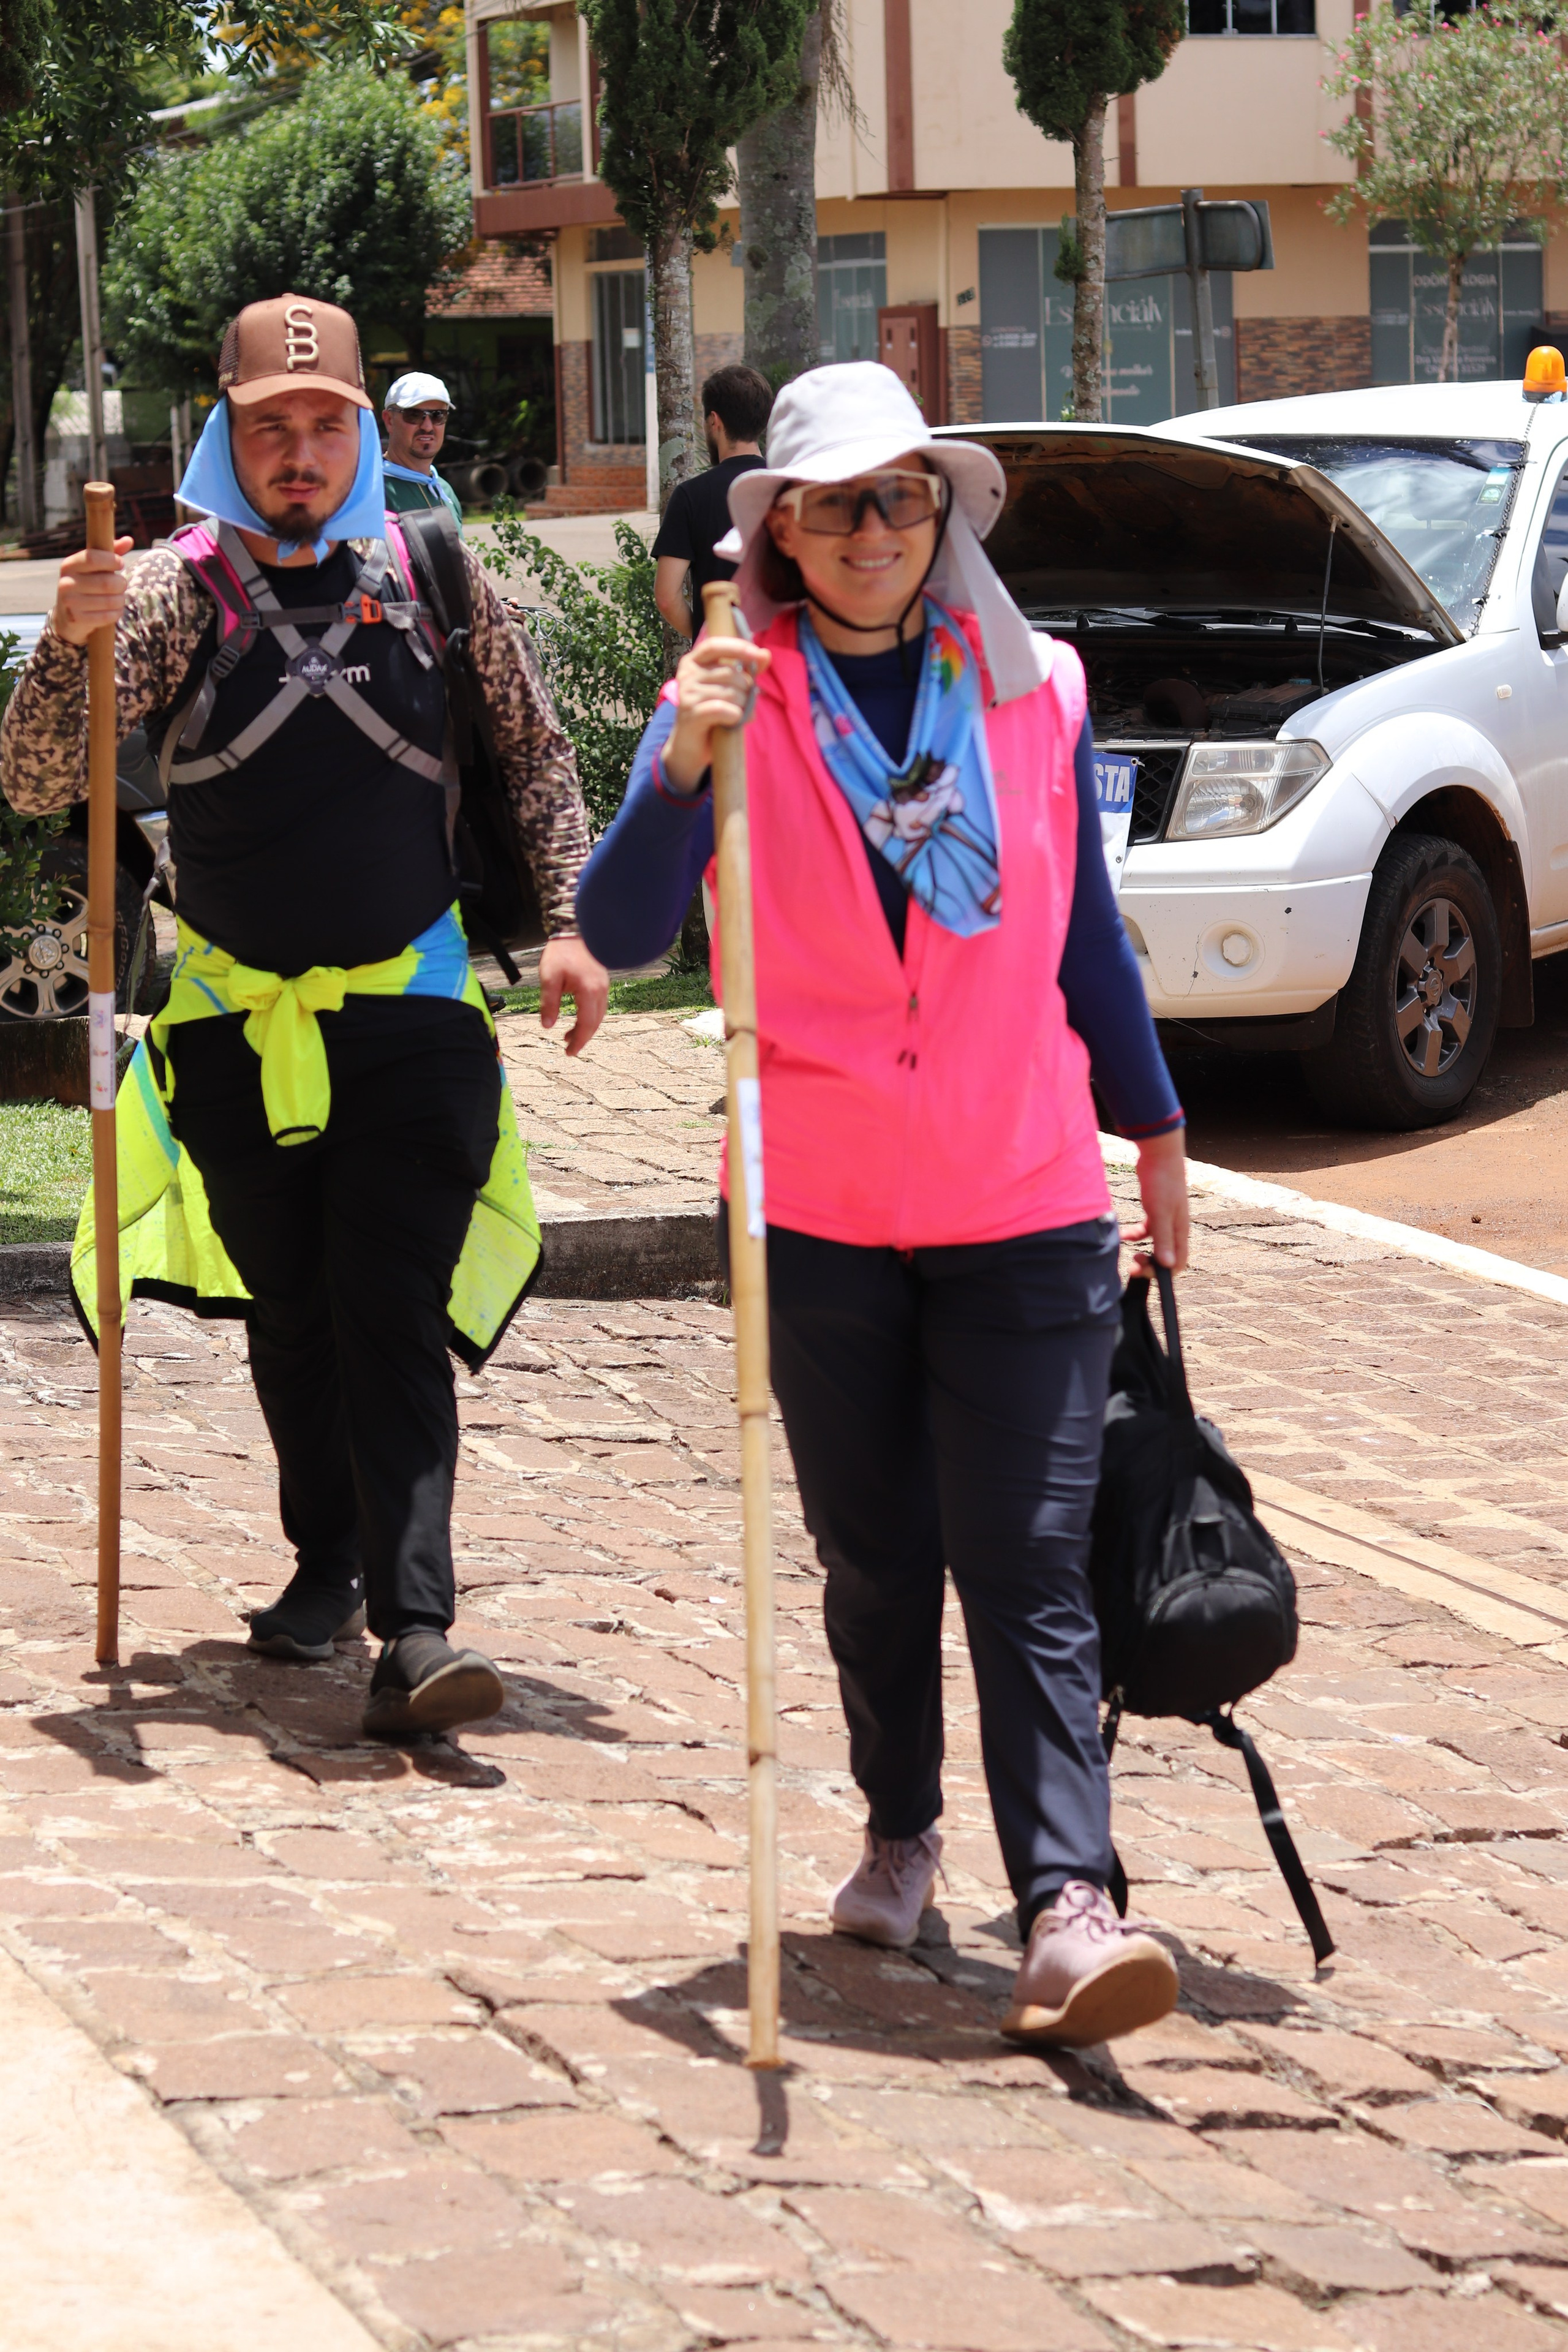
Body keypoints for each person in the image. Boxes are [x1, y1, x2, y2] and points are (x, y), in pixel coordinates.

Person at [576, 361, 1191, 2050]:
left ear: (944, 514)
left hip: (1024, 1186)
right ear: (776, 526)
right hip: (821, 1204)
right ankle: (902, 1829)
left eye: (898, 497)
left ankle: (1069, 1899)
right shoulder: (728, 689)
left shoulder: (1036, 690)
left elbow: (1080, 938)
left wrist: (1152, 1126)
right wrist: (679, 772)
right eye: (833, 503)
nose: (869, 531)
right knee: (875, 1556)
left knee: (1028, 1557)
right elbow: (624, 927)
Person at [0, 293, 608, 1742]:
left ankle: (417, 1622)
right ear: (226, 429)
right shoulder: (162, 591)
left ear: (360, 436)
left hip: (410, 1009)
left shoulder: (438, 572)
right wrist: (58, 646)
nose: (298, 451)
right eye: (269, 427)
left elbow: (532, 752)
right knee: (295, 1309)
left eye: (324, 423)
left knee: (386, 1303)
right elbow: (31, 780)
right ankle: (324, 1558)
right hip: (225, 1022)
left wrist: (577, 922)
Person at [652, 364, 772, 641]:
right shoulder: (788, 487)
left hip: (721, 662)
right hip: (783, 656)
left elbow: (667, 598)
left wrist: (707, 637)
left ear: (714, 421)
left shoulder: (690, 496)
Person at [381, 371, 464, 529]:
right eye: (414, 415)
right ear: (390, 421)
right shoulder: (374, 491)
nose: (427, 426)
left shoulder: (444, 490)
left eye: (438, 415)